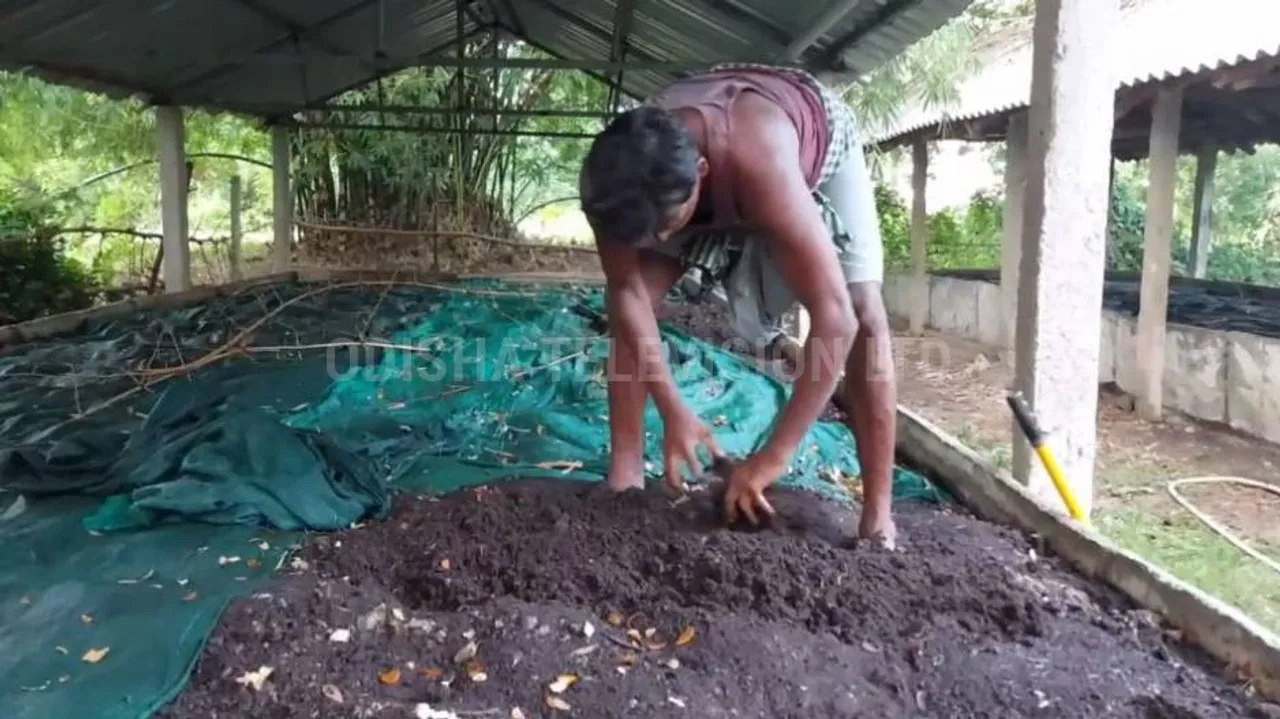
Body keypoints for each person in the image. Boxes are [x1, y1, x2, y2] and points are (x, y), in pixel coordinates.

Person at [578, 63, 897, 548]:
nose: (659, 242)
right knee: (638, 289)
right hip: (686, 178)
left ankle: (877, 517)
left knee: (865, 309)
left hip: (811, 142)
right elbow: (626, 294)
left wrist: (774, 456)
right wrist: (673, 410)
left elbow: (836, 316)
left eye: (665, 229)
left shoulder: (759, 154)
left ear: (701, 176)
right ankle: (625, 477)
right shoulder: (613, 182)